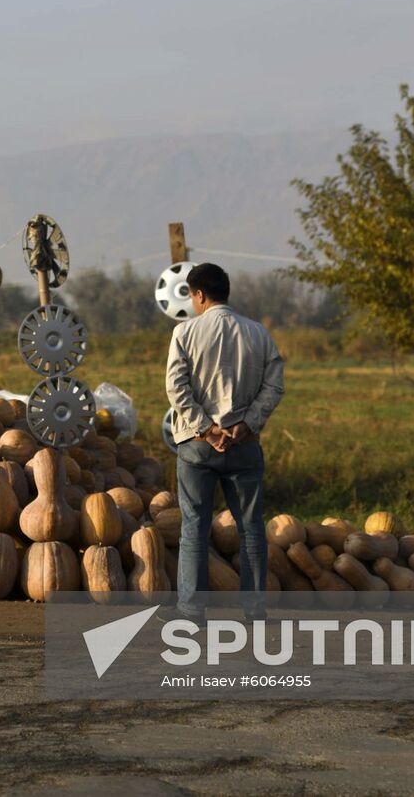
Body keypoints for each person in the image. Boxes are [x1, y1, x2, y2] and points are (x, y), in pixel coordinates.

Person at [164, 263, 284, 622]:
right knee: (250, 528)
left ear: (199, 295)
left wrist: (205, 429)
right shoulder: (259, 334)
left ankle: (191, 610)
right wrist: (248, 423)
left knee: (194, 529)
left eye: (192, 296)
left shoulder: (184, 333)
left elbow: (176, 388)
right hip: (244, 445)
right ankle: (254, 609)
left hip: (199, 448)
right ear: (225, 291)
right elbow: (274, 386)